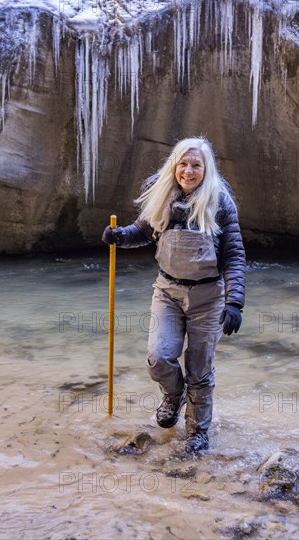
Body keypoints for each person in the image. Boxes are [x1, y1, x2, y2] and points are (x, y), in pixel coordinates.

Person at [102, 136, 246, 453]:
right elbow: (143, 231)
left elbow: (234, 256)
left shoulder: (220, 203)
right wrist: (120, 236)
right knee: (158, 357)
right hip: (167, 291)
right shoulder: (163, 195)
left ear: (206, 169)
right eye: (183, 163)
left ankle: (196, 433)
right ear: (174, 165)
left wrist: (234, 302)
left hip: (208, 296)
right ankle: (173, 393)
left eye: (196, 164)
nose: (189, 170)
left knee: (200, 370)